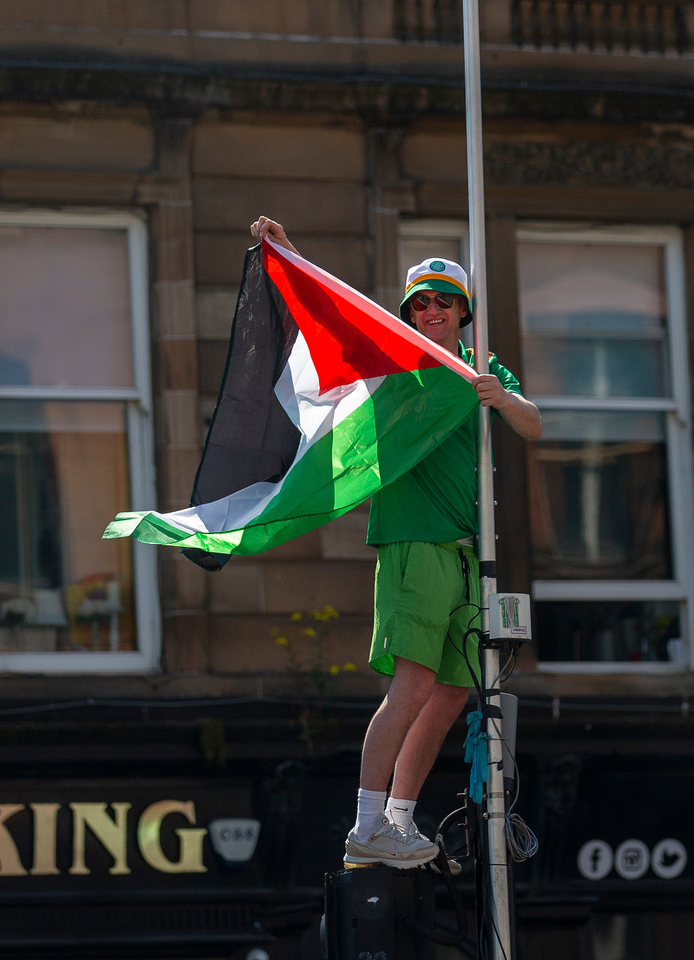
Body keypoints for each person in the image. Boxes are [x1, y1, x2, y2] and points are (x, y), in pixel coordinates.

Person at [250, 216, 542, 869]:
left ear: (464, 311)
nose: (431, 310)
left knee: (452, 693)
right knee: (411, 687)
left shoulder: (480, 366)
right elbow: (334, 316)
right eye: (420, 303)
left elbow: (534, 424)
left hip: (466, 552)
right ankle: (365, 824)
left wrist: (499, 397)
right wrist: (291, 255)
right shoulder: (395, 359)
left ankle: (399, 823)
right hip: (414, 542)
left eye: (443, 300)